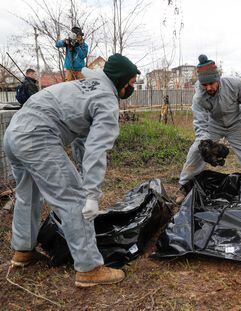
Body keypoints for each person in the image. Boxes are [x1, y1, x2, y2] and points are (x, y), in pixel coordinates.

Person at [3, 53, 140, 287]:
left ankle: (23, 251)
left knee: (28, 195)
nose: (132, 88)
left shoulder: (84, 86)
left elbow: (81, 140)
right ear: (121, 81)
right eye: (131, 83)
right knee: (74, 200)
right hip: (37, 137)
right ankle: (89, 268)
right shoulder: (106, 100)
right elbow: (97, 150)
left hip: (13, 134)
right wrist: (91, 194)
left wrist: (84, 175)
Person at [176, 54, 241, 203]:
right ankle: (184, 186)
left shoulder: (235, 84)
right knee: (196, 151)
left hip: (236, 123)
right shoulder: (199, 97)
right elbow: (200, 122)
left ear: (218, 78)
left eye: (211, 83)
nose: (208, 88)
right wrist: (204, 142)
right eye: (205, 85)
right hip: (214, 125)